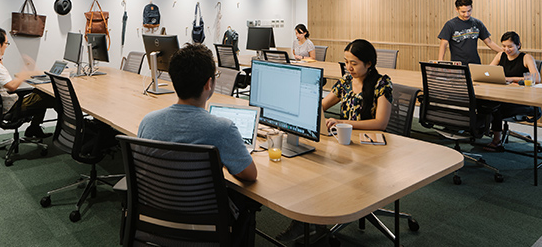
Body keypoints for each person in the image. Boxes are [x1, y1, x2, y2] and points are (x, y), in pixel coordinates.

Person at [137, 43, 258, 246]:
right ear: (208, 84)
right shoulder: (222, 128)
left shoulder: (147, 122)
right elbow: (250, 175)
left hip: (155, 220)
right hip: (205, 228)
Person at [278, 39, 393, 243]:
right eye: (346, 62)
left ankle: (314, 224)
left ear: (369, 63)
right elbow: (321, 105)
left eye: (354, 63)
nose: (349, 67)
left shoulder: (381, 84)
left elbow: (380, 123)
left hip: (370, 150)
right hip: (344, 145)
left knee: (319, 173)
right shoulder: (345, 81)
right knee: (308, 168)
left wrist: (343, 122)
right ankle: (311, 223)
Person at [0, 27, 53, 139]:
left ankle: (34, 129)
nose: (7, 46)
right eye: (6, 43)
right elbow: (11, 87)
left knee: (39, 92)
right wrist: (24, 73)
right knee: (51, 96)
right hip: (12, 106)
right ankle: (69, 134)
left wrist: (0, 61)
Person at [484, 31, 541, 152]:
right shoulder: (500, 55)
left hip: (522, 100)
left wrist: (511, 79)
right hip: (504, 95)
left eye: (510, 46)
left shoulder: (526, 57)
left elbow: (536, 78)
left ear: (518, 45)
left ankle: (496, 141)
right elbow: (488, 72)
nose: (506, 49)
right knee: (484, 103)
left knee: (496, 107)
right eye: (504, 46)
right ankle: (479, 132)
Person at [438, 0, 502, 65]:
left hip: (475, 63)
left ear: (472, 8)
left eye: (469, 11)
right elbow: (443, 44)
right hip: (458, 64)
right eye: (463, 12)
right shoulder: (450, 25)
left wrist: (504, 52)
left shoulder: (477, 23)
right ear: (457, 9)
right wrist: (440, 61)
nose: (467, 14)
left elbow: (489, 42)